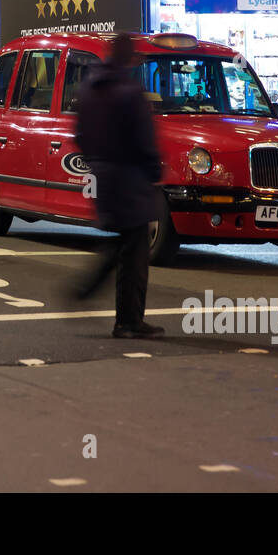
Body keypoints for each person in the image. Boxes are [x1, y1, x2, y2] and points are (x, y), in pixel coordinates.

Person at [74, 33, 164, 340]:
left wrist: (96, 161)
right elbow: (144, 139)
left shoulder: (89, 87)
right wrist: (153, 171)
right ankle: (127, 320)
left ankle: (93, 293)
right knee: (136, 250)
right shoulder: (130, 91)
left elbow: (80, 133)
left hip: (103, 174)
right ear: (130, 58)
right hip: (130, 178)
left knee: (126, 241)